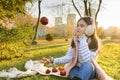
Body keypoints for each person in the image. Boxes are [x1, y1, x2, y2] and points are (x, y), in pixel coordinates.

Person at [40, 16, 111, 80]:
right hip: (76, 68)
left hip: (89, 69)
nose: (78, 27)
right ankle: (79, 78)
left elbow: (86, 60)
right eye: (77, 25)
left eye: (82, 26)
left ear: (90, 29)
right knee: (71, 70)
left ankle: (80, 77)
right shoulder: (75, 41)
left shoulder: (94, 42)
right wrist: (54, 60)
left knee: (87, 65)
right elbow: (68, 57)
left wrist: (83, 39)